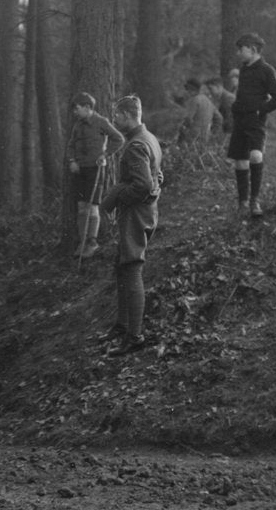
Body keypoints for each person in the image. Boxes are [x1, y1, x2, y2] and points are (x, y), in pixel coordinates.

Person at [101, 94, 163, 357]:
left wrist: (117, 199)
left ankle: (134, 336)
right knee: (123, 264)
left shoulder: (136, 145)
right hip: (143, 211)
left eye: (117, 116)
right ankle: (123, 325)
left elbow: (143, 185)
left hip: (136, 214)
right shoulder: (149, 138)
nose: (115, 121)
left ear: (127, 116)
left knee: (132, 266)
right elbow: (157, 176)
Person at [227, 33, 276, 218]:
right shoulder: (243, 69)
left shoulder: (267, 70)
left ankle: (255, 200)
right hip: (240, 121)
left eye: (241, 49)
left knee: (255, 155)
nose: (238, 53)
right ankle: (243, 202)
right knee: (240, 161)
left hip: (255, 122)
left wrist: (261, 110)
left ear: (252, 50)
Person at [67, 91, 124, 259]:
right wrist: (72, 161)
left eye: (76, 109)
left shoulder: (101, 122)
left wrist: (105, 155)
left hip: (95, 169)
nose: (74, 112)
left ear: (87, 107)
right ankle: (83, 242)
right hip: (80, 170)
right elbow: (70, 146)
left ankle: (92, 242)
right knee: (81, 207)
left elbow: (118, 139)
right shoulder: (77, 125)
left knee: (92, 206)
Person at [177, 77, 222, 146]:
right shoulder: (208, 101)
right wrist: (213, 132)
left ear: (191, 89)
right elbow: (219, 118)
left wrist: (182, 130)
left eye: (187, 89)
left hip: (192, 137)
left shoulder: (194, 100)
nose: (187, 92)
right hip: (205, 136)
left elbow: (188, 119)